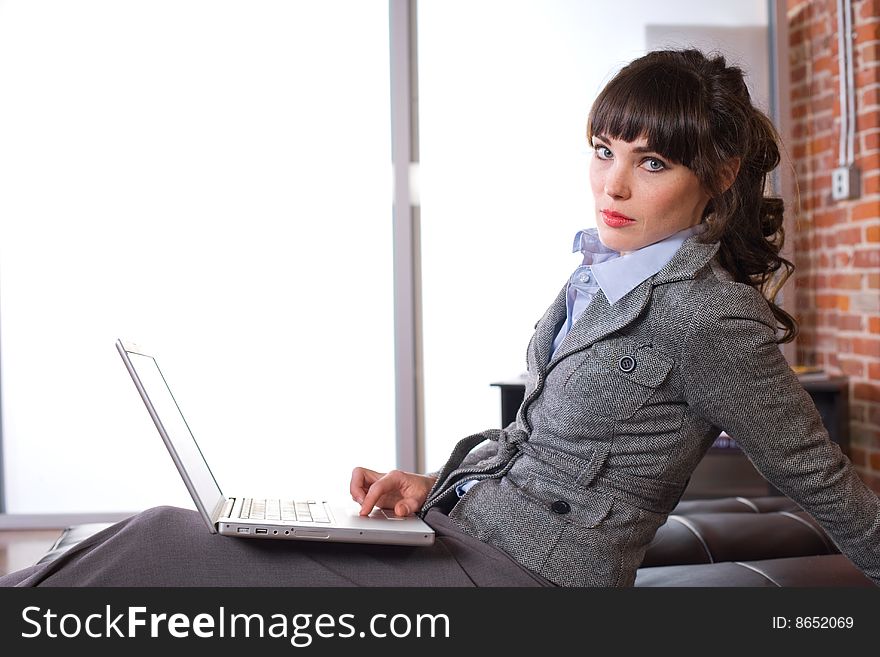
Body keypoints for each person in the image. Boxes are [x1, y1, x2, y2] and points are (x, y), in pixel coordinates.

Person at [2, 48, 878, 587]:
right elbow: (534, 440)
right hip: (463, 534)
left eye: (649, 162)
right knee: (157, 545)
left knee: (161, 542)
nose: (612, 184)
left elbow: (820, 479)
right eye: (604, 151)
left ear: (717, 175)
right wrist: (432, 484)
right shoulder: (600, 271)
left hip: (523, 582)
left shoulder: (709, 318)